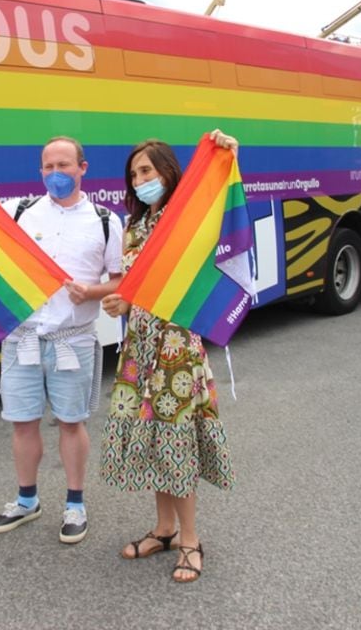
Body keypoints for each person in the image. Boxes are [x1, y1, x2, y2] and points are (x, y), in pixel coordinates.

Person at [0, 137, 124, 544]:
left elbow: (120, 279)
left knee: (72, 423)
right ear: (40, 171)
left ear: (83, 168)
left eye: (65, 165)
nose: (56, 173)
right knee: (22, 423)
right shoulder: (18, 213)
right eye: (48, 166)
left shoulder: (105, 220)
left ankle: (74, 504)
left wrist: (91, 292)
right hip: (23, 340)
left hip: (74, 340)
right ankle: (26, 500)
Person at [99, 129, 239, 583]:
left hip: (176, 348)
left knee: (176, 440)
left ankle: (191, 540)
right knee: (154, 438)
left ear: (167, 173)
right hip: (140, 347)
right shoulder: (133, 227)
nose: (141, 179)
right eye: (134, 173)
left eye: (148, 170)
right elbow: (136, 286)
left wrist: (227, 152)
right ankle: (163, 529)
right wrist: (123, 300)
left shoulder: (185, 219)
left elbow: (216, 202)